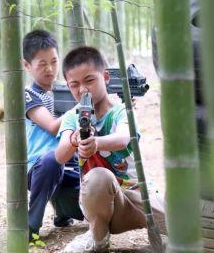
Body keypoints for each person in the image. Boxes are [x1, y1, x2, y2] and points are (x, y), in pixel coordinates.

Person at [55, 46, 166, 253]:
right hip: (103, 204)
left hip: (139, 196)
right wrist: (74, 138)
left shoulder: (121, 111)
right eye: (74, 85)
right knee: (98, 177)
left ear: (105, 77)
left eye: (89, 80)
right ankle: (98, 240)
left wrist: (97, 142)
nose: (83, 90)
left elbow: (123, 138)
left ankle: (159, 238)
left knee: (186, 224)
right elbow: (60, 154)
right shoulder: (72, 116)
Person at [22, 30, 84, 241]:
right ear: (27, 65)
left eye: (54, 61)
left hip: (73, 171)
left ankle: (63, 211)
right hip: (41, 169)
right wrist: (84, 103)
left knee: (95, 208)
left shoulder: (69, 89)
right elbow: (53, 126)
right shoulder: (28, 95)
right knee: (52, 159)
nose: (50, 69)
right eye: (42, 64)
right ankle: (31, 226)